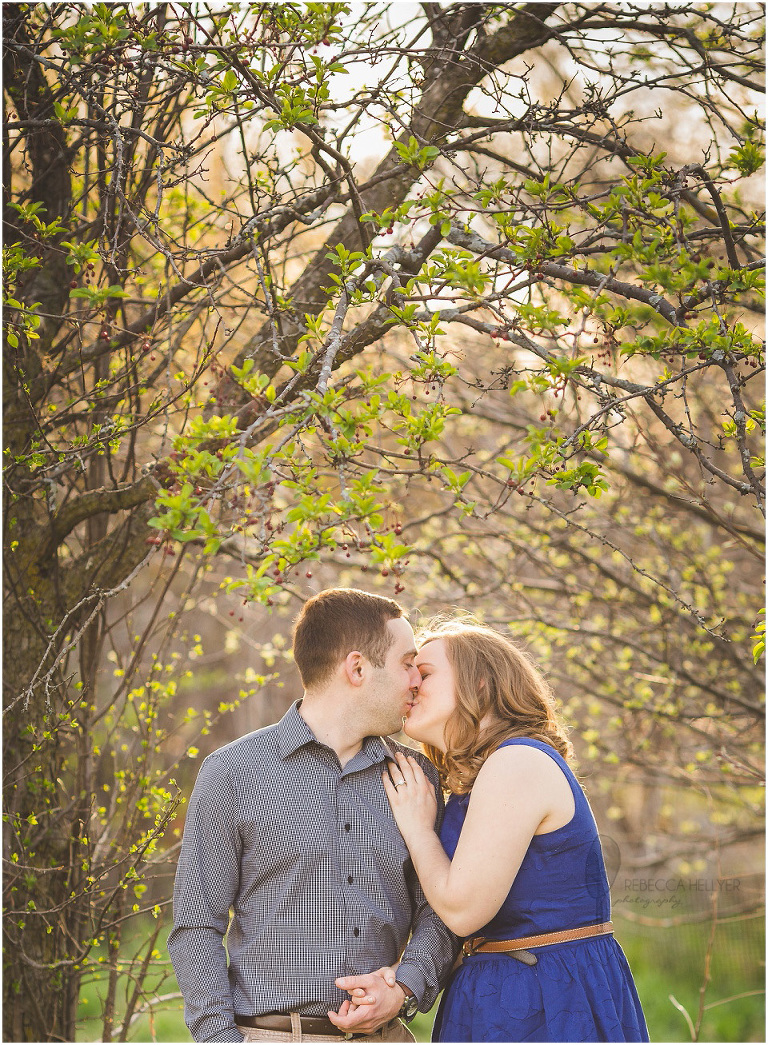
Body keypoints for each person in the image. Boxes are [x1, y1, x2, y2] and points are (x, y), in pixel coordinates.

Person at [168, 588, 456, 1043]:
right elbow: (195, 924)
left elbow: (443, 910)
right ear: (357, 668)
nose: (416, 681)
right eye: (406, 664)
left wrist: (403, 988)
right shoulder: (232, 773)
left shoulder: (416, 778)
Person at [382, 617, 649, 1043]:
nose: (412, 684)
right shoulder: (479, 777)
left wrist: (418, 830)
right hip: (501, 989)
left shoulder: (517, 762)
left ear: (481, 685)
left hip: (549, 997)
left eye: (426, 673)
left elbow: (463, 910)